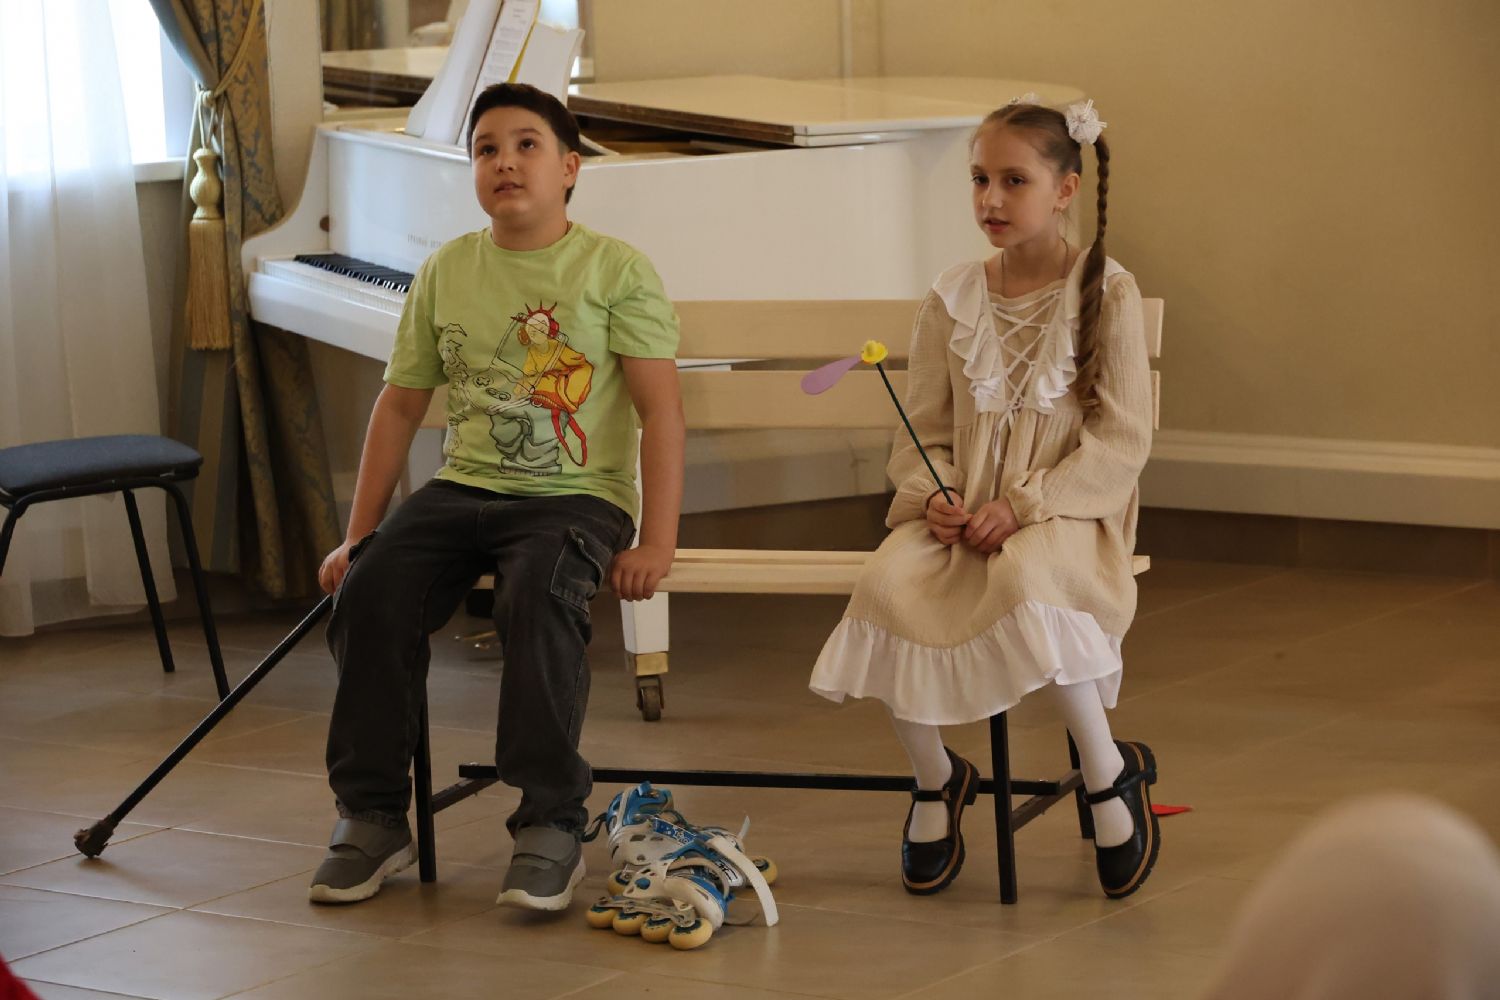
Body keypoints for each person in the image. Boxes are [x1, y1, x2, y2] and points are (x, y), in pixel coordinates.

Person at [308, 83, 684, 910]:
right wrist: (358, 535)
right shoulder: (447, 269)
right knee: (371, 591)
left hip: (575, 497)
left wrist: (657, 540)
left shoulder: (615, 269)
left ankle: (550, 819)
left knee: (537, 594)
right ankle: (372, 815)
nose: (505, 162)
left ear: (570, 168)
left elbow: (662, 412)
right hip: (460, 489)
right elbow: (399, 406)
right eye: (486, 149)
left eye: (526, 145)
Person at [809, 97, 1159, 898]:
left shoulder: (1106, 292)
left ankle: (1107, 772)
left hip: (1065, 513)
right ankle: (936, 776)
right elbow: (923, 431)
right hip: (963, 514)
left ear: (1065, 189)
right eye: (978, 180)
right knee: (885, 585)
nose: (991, 199)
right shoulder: (953, 296)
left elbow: (1121, 439)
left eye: (1014, 180)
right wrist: (935, 491)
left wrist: (1026, 506)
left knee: (1030, 582)